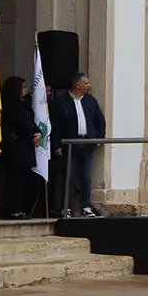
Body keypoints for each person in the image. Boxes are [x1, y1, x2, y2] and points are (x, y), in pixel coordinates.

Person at [50, 72, 106, 217]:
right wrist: (56, 145)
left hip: (87, 144)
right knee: (67, 176)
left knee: (86, 176)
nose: (89, 86)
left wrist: (99, 137)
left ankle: (85, 206)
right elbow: (54, 125)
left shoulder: (90, 100)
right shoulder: (61, 102)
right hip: (69, 145)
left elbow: (100, 119)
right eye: (86, 83)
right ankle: (65, 207)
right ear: (77, 85)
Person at [0, 77, 42, 220]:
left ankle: (22, 208)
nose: (25, 90)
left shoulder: (24, 104)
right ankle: (13, 209)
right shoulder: (10, 104)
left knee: (25, 179)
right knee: (15, 180)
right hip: (15, 147)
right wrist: (31, 133)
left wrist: (37, 132)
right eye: (23, 87)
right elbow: (19, 122)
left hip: (26, 147)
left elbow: (30, 121)